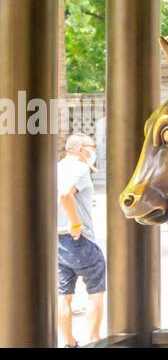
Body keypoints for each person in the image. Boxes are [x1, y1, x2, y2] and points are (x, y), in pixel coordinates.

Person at [56, 133, 105, 347]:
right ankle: (94, 340)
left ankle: (69, 343)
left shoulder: (55, 168)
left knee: (63, 295)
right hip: (80, 239)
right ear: (80, 149)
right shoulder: (80, 169)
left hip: (57, 240)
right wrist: (75, 223)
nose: (93, 150)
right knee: (95, 290)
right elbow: (66, 194)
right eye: (91, 146)